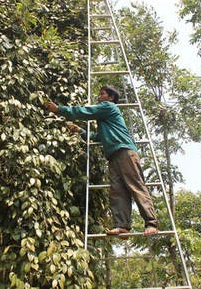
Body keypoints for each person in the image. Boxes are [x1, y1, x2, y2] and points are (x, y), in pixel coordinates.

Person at [44, 85, 158, 236]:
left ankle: (151, 223)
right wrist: (80, 131)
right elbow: (99, 137)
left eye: (102, 94)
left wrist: (60, 109)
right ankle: (122, 225)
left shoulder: (109, 106)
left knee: (135, 186)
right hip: (113, 155)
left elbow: (87, 111)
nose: (99, 97)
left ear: (111, 98)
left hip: (124, 151)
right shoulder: (105, 119)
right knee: (117, 190)